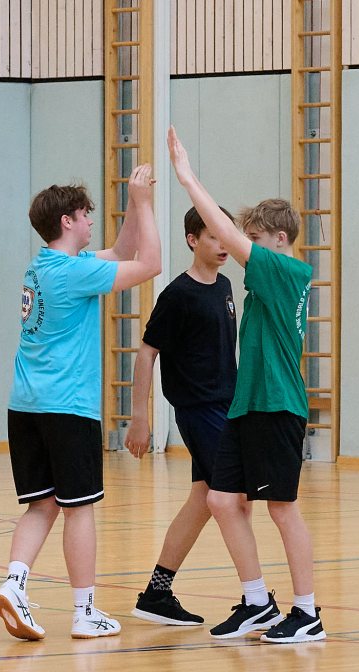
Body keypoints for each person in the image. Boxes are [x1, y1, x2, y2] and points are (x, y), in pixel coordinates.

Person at [167, 126, 325, 644]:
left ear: (278, 239)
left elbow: (223, 232)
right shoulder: (266, 276)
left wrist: (188, 178)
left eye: (253, 239)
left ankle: (308, 612)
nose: (243, 249)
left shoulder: (285, 271)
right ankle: (257, 602)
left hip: (277, 405)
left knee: (282, 508)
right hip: (246, 405)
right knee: (220, 499)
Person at [0, 164, 161, 641]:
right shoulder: (76, 273)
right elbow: (149, 264)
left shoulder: (43, 266)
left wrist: (133, 205)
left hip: (25, 405)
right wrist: (145, 204)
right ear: (67, 221)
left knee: (41, 505)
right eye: (86, 215)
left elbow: (122, 252)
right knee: (79, 509)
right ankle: (84, 611)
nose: (91, 222)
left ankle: (14, 584)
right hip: (67, 406)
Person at [125, 205, 238, 626]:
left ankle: (156, 594)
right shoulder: (177, 294)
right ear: (193, 240)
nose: (223, 244)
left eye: (226, 235)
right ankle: (255, 596)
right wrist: (140, 417)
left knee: (203, 500)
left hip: (226, 407)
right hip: (198, 410)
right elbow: (146, 352)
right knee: (233, 499)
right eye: (213, 236)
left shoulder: (225, 286)